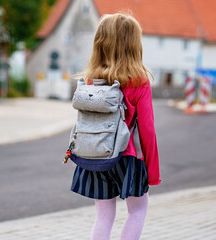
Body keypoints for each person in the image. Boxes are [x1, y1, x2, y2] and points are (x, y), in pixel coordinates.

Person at [70, 13, 161, 240]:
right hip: (128, 157)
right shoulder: (138, 79)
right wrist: (153, 172)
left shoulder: (91, 78)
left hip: (96, 155)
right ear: (133, 44)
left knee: (103, 216)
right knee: (138, 210)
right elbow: (147, 130)